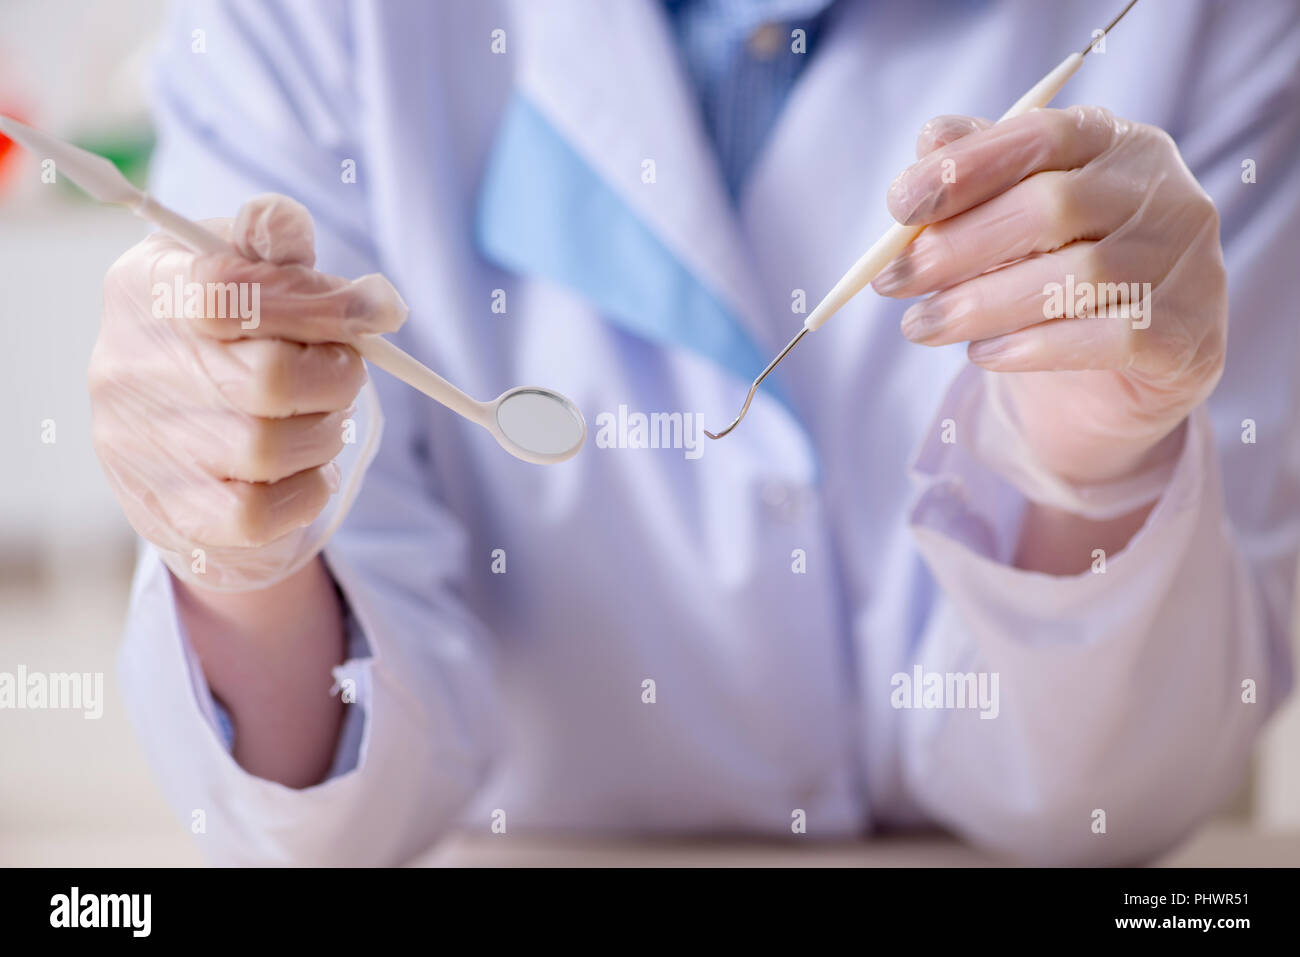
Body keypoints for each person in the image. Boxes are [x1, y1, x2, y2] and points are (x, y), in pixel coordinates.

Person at [90, 0, 1300, 865]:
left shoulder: (1207, 21)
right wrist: (244, 545)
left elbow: (1120, 802)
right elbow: (321, 814)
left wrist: (1095, 467)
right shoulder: (302, 23)